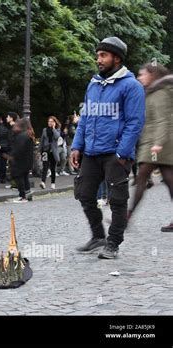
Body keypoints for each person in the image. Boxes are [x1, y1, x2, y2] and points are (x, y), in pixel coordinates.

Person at [70, 36, 145, 259]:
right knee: (84, 194)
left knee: (118, 200)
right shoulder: (93, 84)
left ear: (117, 58)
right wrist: (76, 145)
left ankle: (113, 244)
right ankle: (98, 236)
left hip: (116, 154)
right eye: (98, 55)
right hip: (91, 153)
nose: (98, 60)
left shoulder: (132, 86)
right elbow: (85, 118)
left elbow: (135, 122)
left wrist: (123, 153)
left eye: (103, 55)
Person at [130, 63, 173, 232]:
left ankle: (126, 217)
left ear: (152, 75)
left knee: (141, 179)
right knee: (169, 182)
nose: (140, 77)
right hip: (161, 144)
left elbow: (163, 120)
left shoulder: (160, 93)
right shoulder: (154, 92)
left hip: (157, 145)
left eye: (142, 74)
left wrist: (158, 144)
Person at [7, 118, 34, 203]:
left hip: (20, 160)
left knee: (19, 177)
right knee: (25, 177)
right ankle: (28, 194)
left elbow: (19, 149)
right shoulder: (29, 134)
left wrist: (12, 156)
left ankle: (22, 196)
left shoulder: (22, 136)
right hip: (27, 160)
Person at [39, 116, 61, 189]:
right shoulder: (44, 130)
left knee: (52, 168)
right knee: (45, 166)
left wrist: (53, 128)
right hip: (45, 151)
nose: (50, 123)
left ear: (54, 122)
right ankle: (43, 182)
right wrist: (39, 150)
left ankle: (53, 183)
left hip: (53, 151)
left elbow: (57, 137)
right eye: (49, 121)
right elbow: (42, 140)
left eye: (51, 121)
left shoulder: (57, 130)